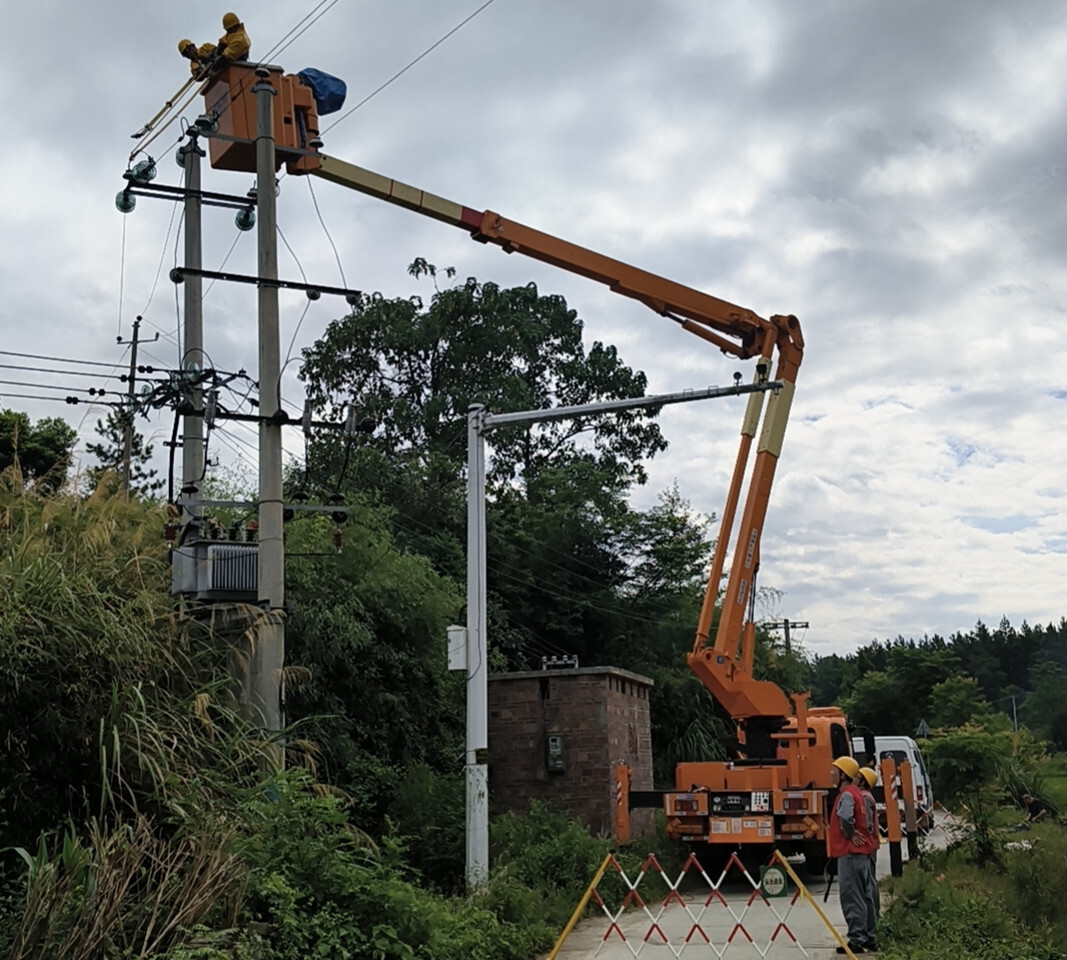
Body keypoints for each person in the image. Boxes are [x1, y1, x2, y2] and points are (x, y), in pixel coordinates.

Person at [829, 756, 878, 955]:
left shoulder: (847, 795)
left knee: (852, 895)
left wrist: (849, 833)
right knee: (865, 895)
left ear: (843, 775)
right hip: (860, 854)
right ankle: (869, 936)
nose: (831, 774)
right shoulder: (858, 794)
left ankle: (857, 939)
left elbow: (845, 816)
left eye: (835, 770)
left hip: (850, 853)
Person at [857, 766, 881, 932]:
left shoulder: (864, 798)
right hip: (871, 843)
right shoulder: (865, 797)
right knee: (870, 879)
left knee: (869, 880)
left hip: (868, 844)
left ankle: (873, 916)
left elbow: (867, 824)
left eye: (858, 776)